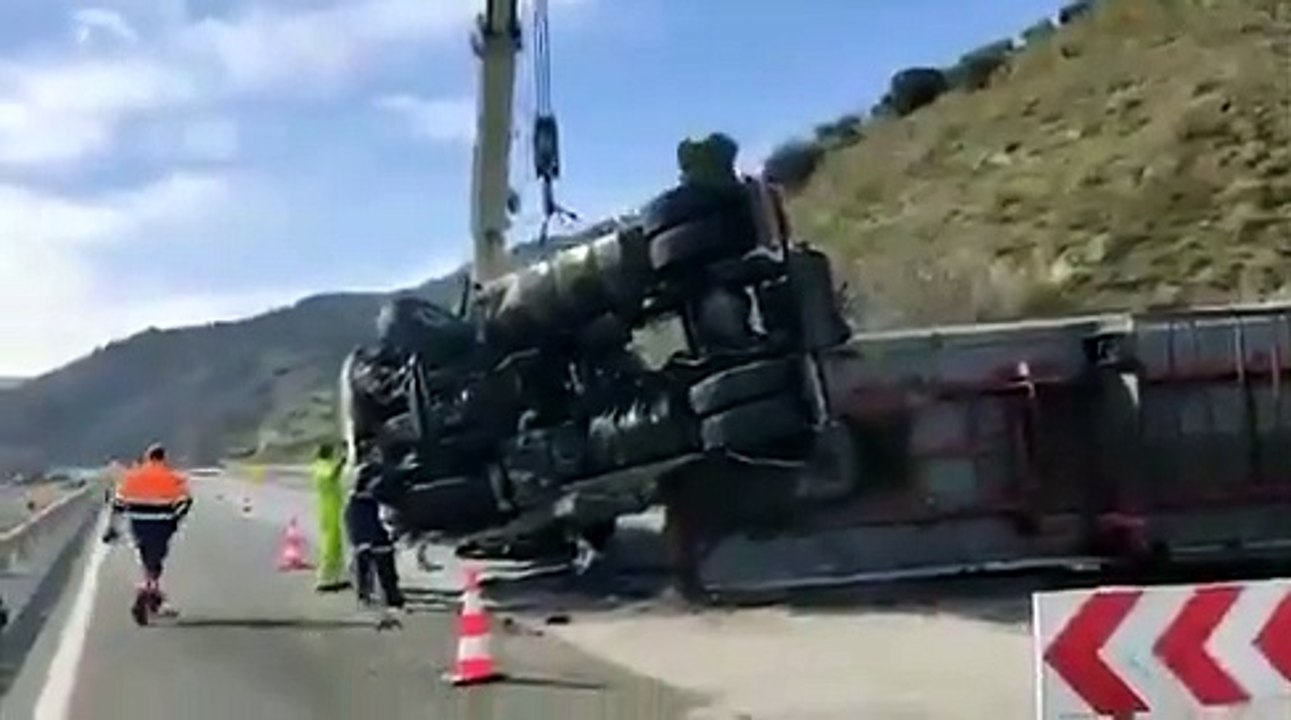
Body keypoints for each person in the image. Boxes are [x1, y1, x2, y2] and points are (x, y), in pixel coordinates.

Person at [111, 443, 192, 624]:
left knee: (146, 556)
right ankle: (149, 591)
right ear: (163, 458)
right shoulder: (172, 477)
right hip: (162, 524)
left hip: (139, 523)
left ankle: (150, 592)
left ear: (147, 457)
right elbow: (185, 502)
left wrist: (113, 527)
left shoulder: (132, 477)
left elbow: (118, 503)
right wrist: (175, 519)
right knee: (156, 558)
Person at [344, 460, 405, 618]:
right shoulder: (359, 502)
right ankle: (366, 593)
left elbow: (390, 517)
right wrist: (359, 541)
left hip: (380, 539)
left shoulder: (379, 498)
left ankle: (392, 597)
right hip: (368, 540)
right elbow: (354, 523)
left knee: (386, 569)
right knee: (366, 566)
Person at [311, 442, 351, 593]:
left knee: (336, 544)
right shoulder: (322, 466)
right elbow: (332, 474)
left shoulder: (320, 465)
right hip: (329, 508)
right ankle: (324, 578)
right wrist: (343, 460)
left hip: (332, 507)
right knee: (330, 545)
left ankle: (335, 577)